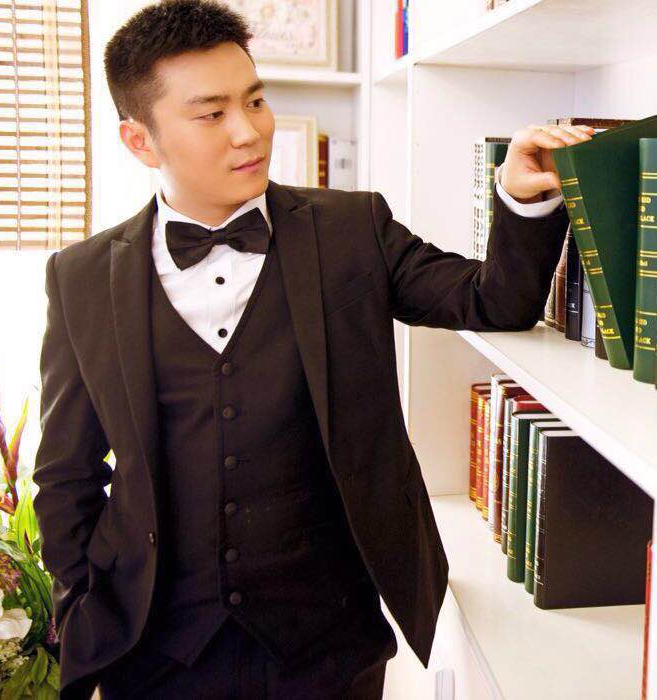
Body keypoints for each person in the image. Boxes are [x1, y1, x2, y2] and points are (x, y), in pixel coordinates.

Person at [31, 1, 594, 698]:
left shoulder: (353, 230)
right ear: (140, 141)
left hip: (330, 650)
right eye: (211, 114)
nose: (249, 131)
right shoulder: (80, 277)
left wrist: (518, 195)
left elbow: (493, 302)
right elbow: (66, 477)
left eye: (255, 100)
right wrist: (83, 618)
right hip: (153, 657)